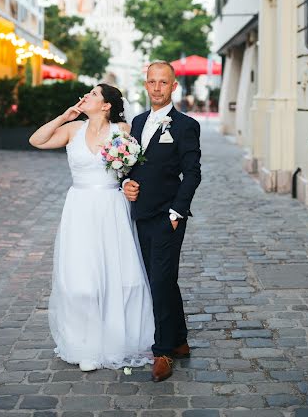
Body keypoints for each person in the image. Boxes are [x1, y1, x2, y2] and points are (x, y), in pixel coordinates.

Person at [29, 83, 154, 372]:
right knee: (80, 281)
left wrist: (127, 182)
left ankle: (118, 340)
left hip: (111, 207)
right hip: (80, 209)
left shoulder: (122, 130)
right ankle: (84, 345)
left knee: (121, 277)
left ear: (107, 105)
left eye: (94, 95)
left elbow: (136, 169)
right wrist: (64, 116)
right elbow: (36, 140)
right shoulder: (73, 130)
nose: (87, 96)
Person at [123, 61, 201, 382]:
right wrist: (125, 184)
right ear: (146, 85)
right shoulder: (137, 122)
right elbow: (129, 168)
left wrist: (176, 213)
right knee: (163, 279)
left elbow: (192, 173)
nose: (157, 88)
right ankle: (180, 339)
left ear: (173, 86)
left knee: (159, 281)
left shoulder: (185, 125)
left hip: (168, 218)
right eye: (152, 82)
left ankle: (163, 351)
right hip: (140, 215)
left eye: (163, 82)